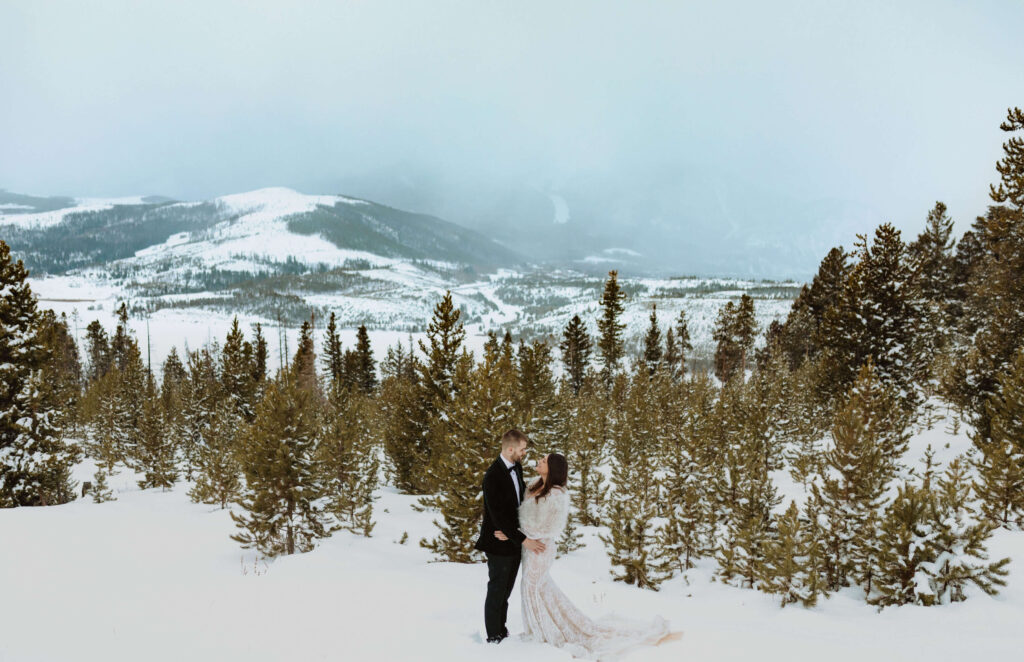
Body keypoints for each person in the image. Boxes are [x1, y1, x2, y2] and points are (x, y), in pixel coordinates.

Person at [494, 453, 681, 659]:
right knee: (536, 589)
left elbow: (547, 527)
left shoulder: (556, 494)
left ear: (553, 469)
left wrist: (514, 533)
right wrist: (516, 532)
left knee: (533, 588)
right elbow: (523, 514)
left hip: (540, 547)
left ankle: (546, 634)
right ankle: (543, 628)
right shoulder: (535, 485)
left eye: (545, 460)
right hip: (529, 547)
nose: (539, 461)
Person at [474, 429, 547, 643]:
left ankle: (502, 630)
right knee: (497, 590)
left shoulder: (517, 468)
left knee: (506, 591)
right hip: (498, 543)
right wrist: (525, 540)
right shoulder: (492, 476)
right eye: (523, 449)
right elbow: (499, 516)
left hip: (512, 540)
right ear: (511, 448)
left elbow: (519, 503)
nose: (525, 453)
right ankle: (493, 637)